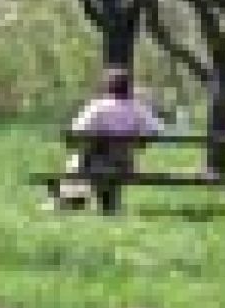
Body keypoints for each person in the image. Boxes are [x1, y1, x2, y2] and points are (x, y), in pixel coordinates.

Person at [54, 66, 166, 213]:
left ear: (107, 86)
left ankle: (70, 199)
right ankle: (98, 202)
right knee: (82, 163)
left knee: (76, 163)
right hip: (125, 164)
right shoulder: (138, 108)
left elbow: (77, 130)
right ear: (128, 87)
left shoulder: (98, 107)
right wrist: (139, 140)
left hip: (96, 161)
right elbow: (157, 129)